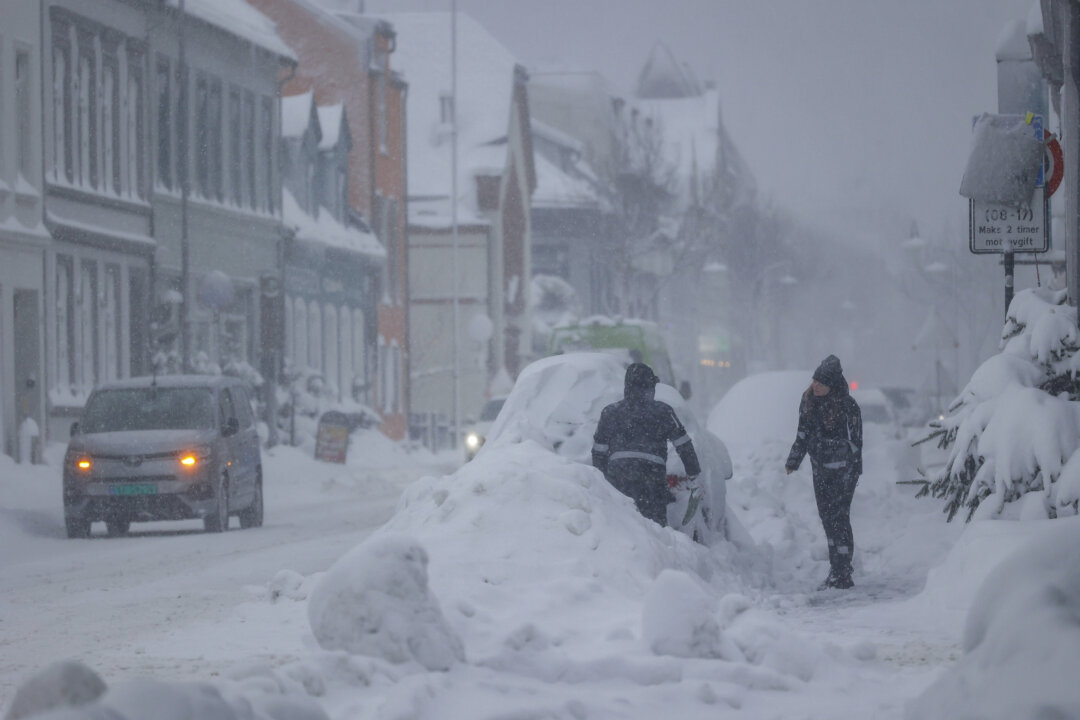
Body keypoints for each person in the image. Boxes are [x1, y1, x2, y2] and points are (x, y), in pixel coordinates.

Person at [785, 355, 863, 590]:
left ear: (831, 386)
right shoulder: (808, 401)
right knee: (827, 518)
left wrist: (854, 470)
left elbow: (857, 443)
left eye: (821, 383)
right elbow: (802, 434)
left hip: (844, 472)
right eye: (814, 380)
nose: (815, 385)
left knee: (840, 518)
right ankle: (836, 567)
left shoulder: (848, 406)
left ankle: (843, 571)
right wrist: (793, 460)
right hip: (820, 470)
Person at [592, 363, 702, 526]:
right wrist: (694, 474)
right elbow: (684, 446)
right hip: (652, 478)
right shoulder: (663, 412)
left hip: (619, 478)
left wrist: (601, 481)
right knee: (655, 530)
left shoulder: (610, 412)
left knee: (620, 526)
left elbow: (598, 453)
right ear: (650, 387)